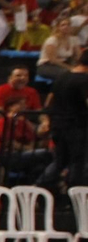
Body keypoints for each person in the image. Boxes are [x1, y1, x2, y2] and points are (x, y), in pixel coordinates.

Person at [40, 50, 88, 189]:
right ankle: (75, 195)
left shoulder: (62, 76)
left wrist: (49, 120)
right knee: (77, 162)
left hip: (58, 125)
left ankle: (38, 187)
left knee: (60, 161)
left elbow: (49, 102)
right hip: (77, 126)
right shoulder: (85, 80)